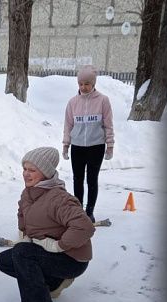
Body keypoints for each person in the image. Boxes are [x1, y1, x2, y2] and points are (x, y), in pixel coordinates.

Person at [0, 147, 95, 302]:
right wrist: (24, 234)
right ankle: (54, 284)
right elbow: (23, 212)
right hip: (48, 254)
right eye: (24, 169)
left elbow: (85, 226)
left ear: (46, 173)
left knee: (22, 254)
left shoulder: (58, 198)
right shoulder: (29, 192)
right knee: (4, 260)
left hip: (71, 259)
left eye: (32, 170)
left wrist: (59, 245)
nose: (26, 174)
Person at [62, 65, 114, 222]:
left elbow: (108, 124)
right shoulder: (72, 103)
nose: (83, 87)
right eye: (80, 84)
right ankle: (78, 212)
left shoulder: (103, 101)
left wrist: (110, 145)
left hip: (96, 147)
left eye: (87, 84)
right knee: (77, 179)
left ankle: (89, 212)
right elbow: (68, 125)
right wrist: (66, 145)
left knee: (92, 179)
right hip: (77, 147)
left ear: (93, 84)